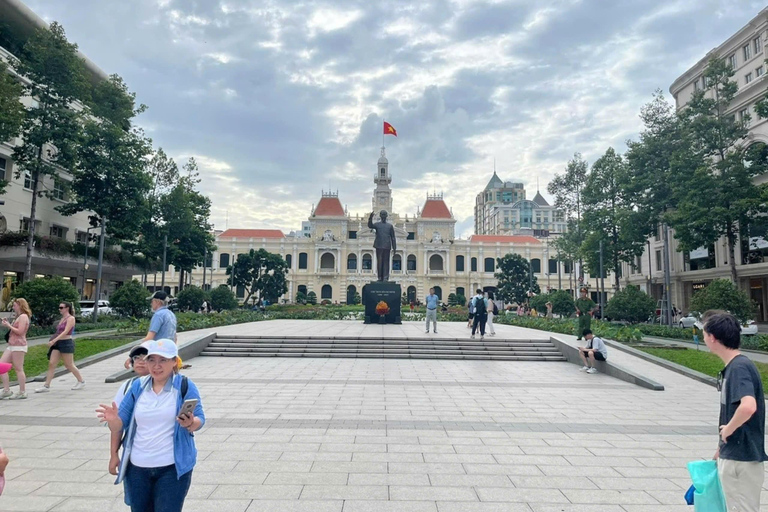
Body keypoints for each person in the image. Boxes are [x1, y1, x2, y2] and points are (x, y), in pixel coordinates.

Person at [97, 339, 205, 512]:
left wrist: (191, 423)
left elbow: (200, 419)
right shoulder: (137, 387)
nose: (156, 365)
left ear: (174, 362)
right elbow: (120, 424)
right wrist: (113, 421)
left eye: (163, 360)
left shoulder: (184, 385)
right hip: (137, 469)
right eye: (151, 360)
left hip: (172, 468)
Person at [703, 312, 767, 512]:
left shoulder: (738, 368)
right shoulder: (736, 366)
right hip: (737, 454)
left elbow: (748, 406)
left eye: (704, 334)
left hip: (741, 458)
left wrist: (727, 431)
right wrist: (721, 447)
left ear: (713, 337)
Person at [110, 344, 150, 506]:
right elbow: (117, 425)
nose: (140, 362)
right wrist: (114, 454)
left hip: (165, 459)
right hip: (133, 454)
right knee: (137, 503)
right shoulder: (127, 386)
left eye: (145, 358)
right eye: (136, 358)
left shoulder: (172, 386)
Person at [36, 302, 85, 392]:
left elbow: (65, 332)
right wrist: (54, 340)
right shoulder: (62, 319)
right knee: (52, 363)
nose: (60, 309)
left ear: (67, 308)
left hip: (66, 342)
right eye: (59, 307)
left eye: (61, 307)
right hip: (57, 344)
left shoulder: (71, 318)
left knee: (69, 364)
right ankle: (46, 385)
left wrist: (54, 340)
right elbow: (58, 332)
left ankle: (81, 381)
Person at [125, 291, 177, 369]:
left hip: (158, 352)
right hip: (168, 352)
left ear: (157, 302)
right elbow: (175, 337)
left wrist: (133, 355)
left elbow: (149, 338)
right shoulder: (171, 314)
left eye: (152, 301)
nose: (151, 304)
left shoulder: (158, 315)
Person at [0, 298, 31, 399]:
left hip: (19, 345)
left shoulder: (23, 317)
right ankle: (6, 390)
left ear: (20, 305)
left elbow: (20, 331)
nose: (13, 307)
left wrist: (9, 326)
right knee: (2, 365)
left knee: (18, 368)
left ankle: (22, 391)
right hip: (12, 345)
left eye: (15, 305)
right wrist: (8, 324)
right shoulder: (18, 317)